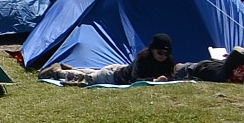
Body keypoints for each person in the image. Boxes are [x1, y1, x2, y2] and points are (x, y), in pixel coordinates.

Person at [44, 33, 178, 85]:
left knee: (91, 73)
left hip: (118, 69)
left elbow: (171, 76)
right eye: (160, 52)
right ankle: (57, 71)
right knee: (86, 79)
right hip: (112, 76)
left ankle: (73, 69)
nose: (163, 56)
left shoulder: (168, 62)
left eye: (166, 54)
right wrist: (154, 81)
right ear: (152, 49)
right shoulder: (143, 59)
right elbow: (134, 80)